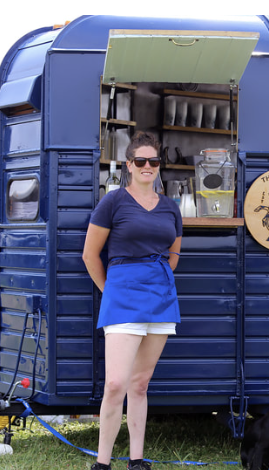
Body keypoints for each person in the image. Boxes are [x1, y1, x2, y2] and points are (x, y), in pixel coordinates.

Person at [82, 131, 183, 470]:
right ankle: (102, 462)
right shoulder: (113, 201)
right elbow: (90, 254)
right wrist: (110, 288)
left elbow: (174, 254)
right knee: (115, 384)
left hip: (160, 297)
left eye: (153, 161)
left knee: (140, 385)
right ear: (128, 164)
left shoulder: (170, 207)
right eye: (140, 161)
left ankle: (136, 460)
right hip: (122, 296)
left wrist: (158, 279)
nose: (147, 166)